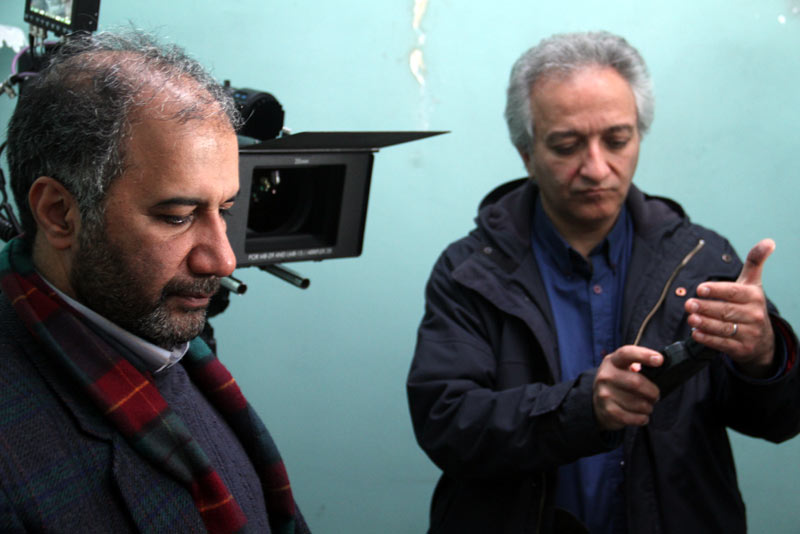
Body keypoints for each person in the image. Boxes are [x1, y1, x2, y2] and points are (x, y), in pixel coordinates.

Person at [407, 31, 800, 534]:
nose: (596, 169)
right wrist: (583, 409)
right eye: (567, 146)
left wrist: (763, 355)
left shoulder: (699, 259)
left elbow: (780, 420)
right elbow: (446, 425)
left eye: (617, 141)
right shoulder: (470, 272)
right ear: (526, 153)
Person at [0, 30, 309, 533]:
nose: (224, 260)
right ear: (58, 213)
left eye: (225, 210)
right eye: (178, 217)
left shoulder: (165, 346)